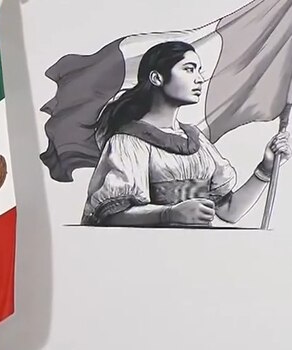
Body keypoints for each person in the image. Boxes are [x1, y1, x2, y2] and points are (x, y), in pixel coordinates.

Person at [82, 40, 289, 227]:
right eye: (189, 69)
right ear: (156, 77)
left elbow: (229, 212)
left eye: (199, 71)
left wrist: (266, 169)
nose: (199, 79)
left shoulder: (197, 140)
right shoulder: (128, 142)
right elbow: (111, 216)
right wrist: (169, 214)